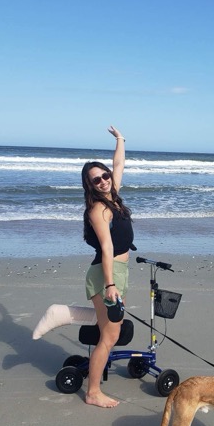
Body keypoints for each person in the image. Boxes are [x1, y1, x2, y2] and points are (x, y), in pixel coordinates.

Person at [81, 125, 135, 408]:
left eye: (104, 176)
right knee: (110, 335)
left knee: (109, 329)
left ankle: (64, 314)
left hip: (117, 272)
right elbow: (106, 247)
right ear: (89, 186)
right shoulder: (98, 209)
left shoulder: (112, 194)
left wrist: (120, 139)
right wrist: (111, 284)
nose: (102, 181)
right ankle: (92, 392)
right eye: (95, 180)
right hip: (106, 274)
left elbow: (119, 163)